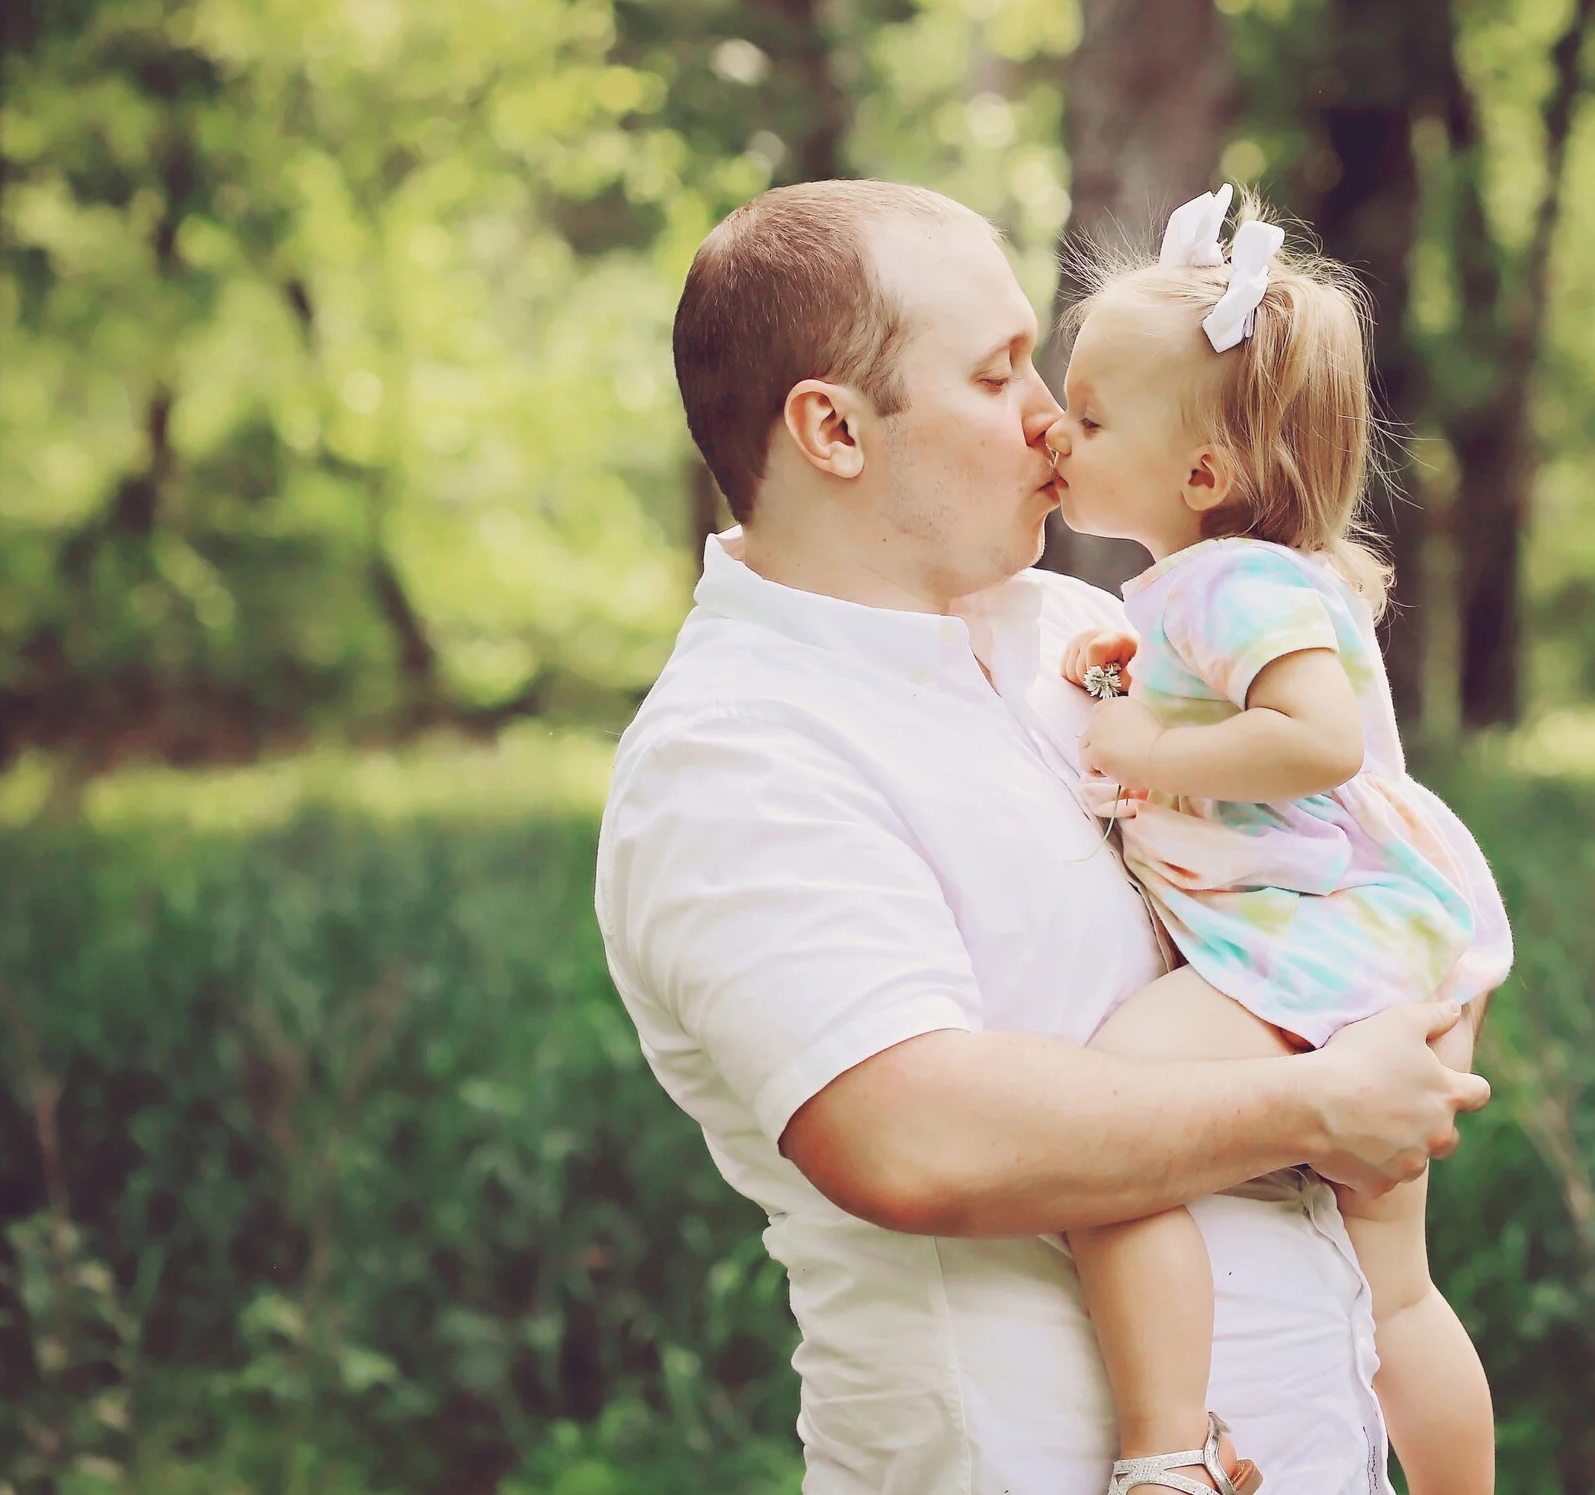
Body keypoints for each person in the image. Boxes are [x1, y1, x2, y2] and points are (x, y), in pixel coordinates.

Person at [595, 178, 1492, 1495]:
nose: (1048, 416)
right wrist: (1321, 1102)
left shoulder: (1081, 631)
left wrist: (1411, 1036)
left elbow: (1341, 874)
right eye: (999, 371)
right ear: (832, 427)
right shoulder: (736, 755)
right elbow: (915, 1137)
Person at [1042, 185, 1510, 1495]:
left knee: (1105, 1130)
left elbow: (1315, 742)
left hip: (1312, 944)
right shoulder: (1220, 585)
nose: (1054, 431)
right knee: (1399, 1297)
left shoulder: (1235, 582)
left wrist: (1149, 752)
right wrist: (1123, 685)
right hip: (1356, 941)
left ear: (1202, 474)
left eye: (1087, 416)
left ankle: (1164, 1448)